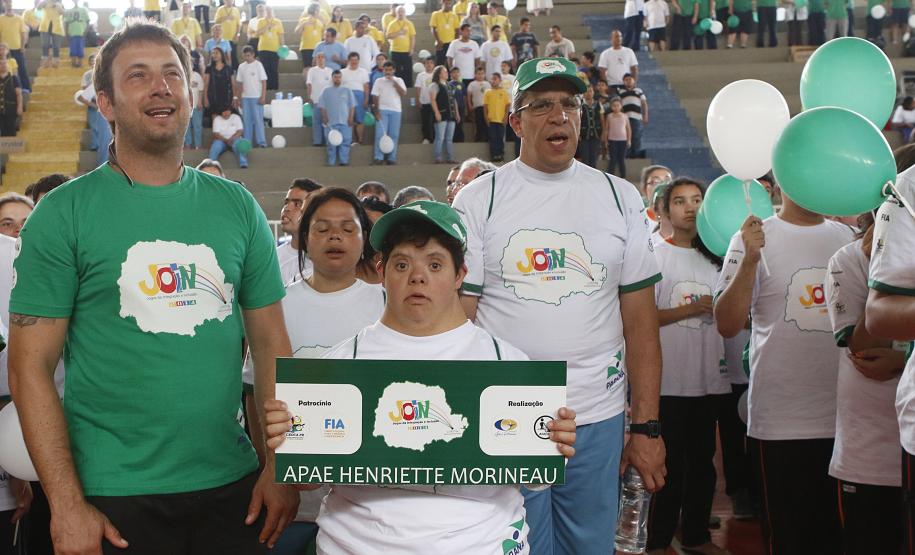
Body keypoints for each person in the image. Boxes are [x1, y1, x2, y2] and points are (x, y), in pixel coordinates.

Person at [8, 23, 299, 555]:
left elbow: (272, 348)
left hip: (230, 487)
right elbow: (29, 366)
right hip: (109, 496)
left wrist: (282, 466)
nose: (160, 87)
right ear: (106, 103)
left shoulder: (237, 206)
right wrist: (67, 502)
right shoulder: (62, 214)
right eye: (137, 77)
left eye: (171, 74)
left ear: (190, 94)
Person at [262, 199, 579, 555]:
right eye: (401, 264)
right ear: (381, 272)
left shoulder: (506, 362)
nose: (418, 276)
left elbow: (533, 481)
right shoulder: (341, 363)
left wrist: (554, 444)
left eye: (435, 263)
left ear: (460, 275)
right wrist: (288, 441)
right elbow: (309, 480)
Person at [453, 56, 665, 555]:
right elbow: (460, 320)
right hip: (504, 415)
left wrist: (647, 426)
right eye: (542, 105)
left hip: (597, 414)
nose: (559, 116)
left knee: (591, 547)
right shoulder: (478, 199)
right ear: (515, 120)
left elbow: (641, 325)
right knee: (512, 546)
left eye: (569, 104)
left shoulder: (619, 197)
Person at [714, 194, 855, 554]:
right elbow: (727, 323)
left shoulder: (846, 237)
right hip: (781, 422)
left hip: (847, 420)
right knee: (789, 538)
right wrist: (749, 262)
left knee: (840, 539)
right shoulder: (753, 237)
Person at [248, 187, 384, 555]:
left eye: (347, 228)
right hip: (292, 499)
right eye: (322, 229)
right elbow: (253, 393)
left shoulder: (388, 304)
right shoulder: (277, 306)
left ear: (364, 237)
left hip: (365, 499)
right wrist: (272, 471)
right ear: (304, 238)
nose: (335, 236)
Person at [645, 178, 729, 555]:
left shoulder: (718, 256)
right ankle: (659, 539)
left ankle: (697, 535)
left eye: (697, 199)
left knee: (703, 465)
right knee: (668, 466)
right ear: (663, 211)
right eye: (679, 201)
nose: (690, 207)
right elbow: (641, 318)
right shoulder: (654, 255)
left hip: (708, 378)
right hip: (667, 382)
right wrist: (689, 309)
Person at [823, 212, 903, 555]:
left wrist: (903, 361)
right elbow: (866, 351)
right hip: (872, 452)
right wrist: (879, 270)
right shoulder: (850, 258)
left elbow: (890, 359)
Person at [277, 178, 323, 284]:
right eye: (286, 202)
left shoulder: (328, 261)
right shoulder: (273, 258)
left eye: (297, 204)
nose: (287, 208)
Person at [319, 69, 356, 166]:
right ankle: (331, 162)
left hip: (345, 121)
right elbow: (322, 106)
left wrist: (351, 117)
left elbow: (352, 106)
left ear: (341, 78)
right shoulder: (326, 91)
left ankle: (344, 162)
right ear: (332, 78)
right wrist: (324, 117)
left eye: (339, 77)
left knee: (346, 141)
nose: (337, 79)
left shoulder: (347, 90)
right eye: (335, 77)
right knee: (331, 143)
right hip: (331, 122)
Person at [236, 45, 268, 149]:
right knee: (247, 121)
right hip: (245, 97)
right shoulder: (241, 67)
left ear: (253, 55)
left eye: (248, 56)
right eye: (245, 56)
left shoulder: (258, 65)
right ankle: (247, 142)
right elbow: (239, 83)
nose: (247, 58)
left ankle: (261, 142)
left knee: (258, 120)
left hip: (256, 96)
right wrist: (239, 98)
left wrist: (263, 96)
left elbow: (263, 81)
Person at [430, 64, 460, 164]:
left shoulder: (450, 86)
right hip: (442, 114)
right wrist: (437, 113)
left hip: (451, 115)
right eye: (444, 72)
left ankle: (450, 157)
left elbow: (454, 100)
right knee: (440, 137)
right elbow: (433, 100)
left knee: (449, 138)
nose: (446, 73)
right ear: (439, 74)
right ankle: (438, 157)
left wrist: (457, 113)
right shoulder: (434, 85)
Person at [0, 2, 30, 92]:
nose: (9, 7)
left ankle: (26, 88)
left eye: (10, 6)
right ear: (4, 7)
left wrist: (23, 46)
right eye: (7, 5)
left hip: (17, 48)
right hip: (4, 50)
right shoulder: (0, 19)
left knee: (21, 69)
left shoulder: (19, 19)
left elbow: (23, 33)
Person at [341, 52, 370, 145]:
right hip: (346, 96)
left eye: (356, 60)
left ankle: (360, 140)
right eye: (352, 60)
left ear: (358, 61)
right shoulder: (342, 72)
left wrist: (366, 99)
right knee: (349, 119)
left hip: (359, 96)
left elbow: (366, 87)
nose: (354, 62)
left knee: (360, 119)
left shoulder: (363, 71)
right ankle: (351, 140)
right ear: (348, 61)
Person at [307, 51, 333, 146]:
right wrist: (309, 96)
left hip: (328, 102)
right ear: (316, 59)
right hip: (316, 99)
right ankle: (317, 141)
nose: (320, 59)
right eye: (318, 57)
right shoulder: (312, 70)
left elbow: (332, 86)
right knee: (317, 122)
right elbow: (309, 84)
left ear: (325, 59)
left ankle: (328, 141)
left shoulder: (330, 71)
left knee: (327, 121)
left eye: (322, 57)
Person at [482, 71, 509, 162]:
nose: (493, 81)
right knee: (493, 138)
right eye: (492, 79)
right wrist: (486, 117)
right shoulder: (487, 92)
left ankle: (500, 155)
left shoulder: (504, 92)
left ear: (500, 80)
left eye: (495, 79)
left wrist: (506, 117)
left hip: (501, 120)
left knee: (500, 138)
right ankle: (494, 155)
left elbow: (507, 105)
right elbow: (485, 106)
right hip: (491, 120)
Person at [619, 73, 647, 158]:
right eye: (626, 80)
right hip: (625, 118)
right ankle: (627, 154)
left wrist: (645, 116)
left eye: (630, 79)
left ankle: (636, 154)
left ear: (634, 81)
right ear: (623, 82)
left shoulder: (639, 90)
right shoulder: (621, 92)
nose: (628, 81)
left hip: (636, 117)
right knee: (626, 136)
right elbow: (619, 104)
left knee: (636, 135)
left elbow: (644, 103)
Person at [203, 46, 235, 120]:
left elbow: (233, 84)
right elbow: (206, 84)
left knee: (227, 120)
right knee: (215, 121)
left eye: (216, 53)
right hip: (213, 97)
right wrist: (205, 98)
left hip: (226, 98)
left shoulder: (228, 68)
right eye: (213, 53)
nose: (214, 55)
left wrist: (235, 97)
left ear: (222, 54)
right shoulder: (209, 68)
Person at [386, 5, 415, 85]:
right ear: (396, 13)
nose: (400, 13)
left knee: (408, 71)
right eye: (399, 12)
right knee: (396, 71)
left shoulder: (409, 23)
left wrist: (412, 49)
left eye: (402, 12)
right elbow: (388, 36)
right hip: (395, 51)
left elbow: (412, 37)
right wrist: (399, 32)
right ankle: (396, 87)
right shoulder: (392, 24)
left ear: (405, 13)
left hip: (406, 51)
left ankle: (408, 90)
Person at [256, 6, 283, 91]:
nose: (268, 12)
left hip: (275, 49)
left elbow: (281, 35)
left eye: (270, 10)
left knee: (274, 69)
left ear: (273, 11)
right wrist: (268, 25)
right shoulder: (261, 21)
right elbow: (258, 33)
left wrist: (283, 47)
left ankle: (274, 88)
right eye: (266, 11)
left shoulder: (278, 22)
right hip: (263, 49)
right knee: (265, 69)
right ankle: (266, 89)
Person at [603, 96, 630, 178]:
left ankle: (623, 177)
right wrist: (606, 141)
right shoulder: (609, 116)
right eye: (614, 105)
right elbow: (606, 129)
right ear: (611, 107)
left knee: (621, 159)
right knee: (613, 159)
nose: (616, 107)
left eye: (618, 105)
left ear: (621, 106)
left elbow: (628, 129)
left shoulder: (625, 116)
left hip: (623, 141)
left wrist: (629, 140)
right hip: (612, 140)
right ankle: (609, 177)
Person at [447, 23, 481, 89]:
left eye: (470, 31)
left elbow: (477, 61)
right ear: (461, 31)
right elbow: (449, 58)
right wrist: (452, 71)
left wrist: (477, 74)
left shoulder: (474, 44)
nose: (469, 32)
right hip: (458, 77)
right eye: (467, 30)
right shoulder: (454, 43)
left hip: (470, 76)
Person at [577, 84, 603, 168]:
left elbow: (603, 120)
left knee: (594, 158)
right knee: (585, 158)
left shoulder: (598, 104)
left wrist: (604, 133)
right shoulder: (579, 104)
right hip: (583, 135)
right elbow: (577, 120)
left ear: (593, 92)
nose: (589, 93)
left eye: (590, 91)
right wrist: (577, 133)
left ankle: (593, 179)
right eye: (586, 91)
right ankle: (585, 179)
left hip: (596, 134)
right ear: (583, 93)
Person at [430, 0, 459, 65]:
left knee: (451, 64)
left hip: (451, 43)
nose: (448, 5)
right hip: (441, 43)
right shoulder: (435, 14)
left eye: (449, 4)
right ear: (442, 3)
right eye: (446, 4)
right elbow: (433, 29)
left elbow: (457, 30)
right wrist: (438, 41)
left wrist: (455, 42)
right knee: (440, 63)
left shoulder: (454, 15)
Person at [37, 0, 64, 68]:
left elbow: (63, 13)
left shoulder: (59, 3)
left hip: (57, 27)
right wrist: (43, 3)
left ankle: (55, 63)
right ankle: (45, 63)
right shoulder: (45, 2)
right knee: (45, 45)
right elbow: (38, 8)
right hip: (45, 26)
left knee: (56, 47)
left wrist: (58, 6)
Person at [467, 65, 491, 142]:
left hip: (487, 107)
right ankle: (478, 139)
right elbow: (469, 96)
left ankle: (487, 138)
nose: (480, 75)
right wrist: (470, 105)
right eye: (478, 73)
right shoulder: (472, 84)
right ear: (475, 74)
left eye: (482, 73)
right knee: (478, 123)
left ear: (484, 74)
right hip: (477, 106)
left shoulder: (488, 84)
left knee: (486, 122)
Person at [214, 0, 241, 67]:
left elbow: (239, 24)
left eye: (231, 0)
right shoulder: (220, 9)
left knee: (233, 56)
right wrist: (225, 17)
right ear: (224, 1)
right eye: (228, 0)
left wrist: (237, 34)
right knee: (222, 56)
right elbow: (216, 21)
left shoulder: (236, 10)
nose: (229, 1)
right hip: (222, 38)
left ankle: (234, 72)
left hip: (232, 37)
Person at [415, 56, 436, 144]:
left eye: (431, 63)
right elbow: (418, 88)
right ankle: (426, 138)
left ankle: (434, 138)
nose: (429, 65)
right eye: (427, 63)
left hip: (435, 102)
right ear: (424, 65)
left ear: (434, 64)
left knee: (434, 121)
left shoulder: (436, 74)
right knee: (425, 121)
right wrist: (418, 100)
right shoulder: (420, 75)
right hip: (424, 101)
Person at [185, 64, 204, 149]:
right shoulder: (182, 74)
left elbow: (201, 90)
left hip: (196, 104)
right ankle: (188, 144)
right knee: (186, 126)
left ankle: (198, 145)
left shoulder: (197, 75)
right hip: (185, 105)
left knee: (197, 126)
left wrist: (200, 101)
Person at [64, 0, 87, 68]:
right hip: (72, 33)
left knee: (80, 49)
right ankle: (73, 64)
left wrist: (85, 31)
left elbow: (87, 21)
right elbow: (66, 22)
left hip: (80, 32)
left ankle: (80, 64)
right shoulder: (69, 11)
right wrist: (66, 32)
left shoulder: (83, 10)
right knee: (73, 49)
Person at [0, 57, 20, 137]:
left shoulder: (14, 78)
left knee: (11, 130)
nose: (3, 65)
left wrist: (19, 107)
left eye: (5, 64)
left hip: (10, 108)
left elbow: (19, 94)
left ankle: (11, 148)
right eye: (1, 64)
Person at [449, 66, 466, 143]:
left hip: (461, 106)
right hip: (452, 107)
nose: (455, 74)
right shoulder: (449, 84)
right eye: (453, 72)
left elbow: (464, 96)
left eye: (457, 72)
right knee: (453, 124)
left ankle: (460, 140)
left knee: (460, 123)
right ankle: (453, 139)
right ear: (450, 74)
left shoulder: (462, 84)